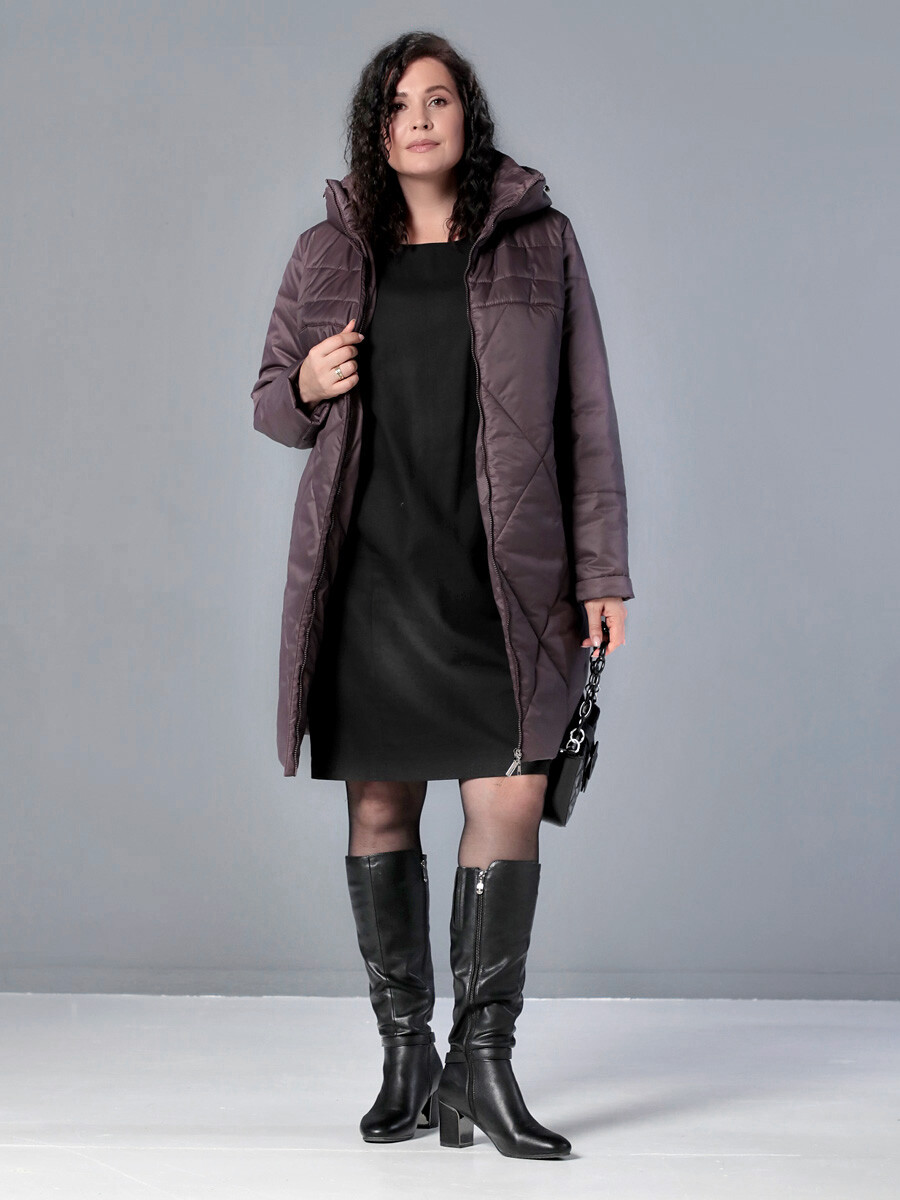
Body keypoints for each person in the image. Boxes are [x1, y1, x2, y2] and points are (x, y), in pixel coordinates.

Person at [250, 31, 633, 1160]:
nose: (418, 120)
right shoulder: (328, 251)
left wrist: (603, 570)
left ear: (468, 118)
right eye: (398, 105)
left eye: (438, 100)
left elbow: (587, 417)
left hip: (504, 574)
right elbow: (271, 402)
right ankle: (407, 1056)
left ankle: (483, 1067)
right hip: (371, 574)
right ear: (377, 131)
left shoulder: (540, 243)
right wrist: (307, 382)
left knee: (508, 797)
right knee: (381, 808)